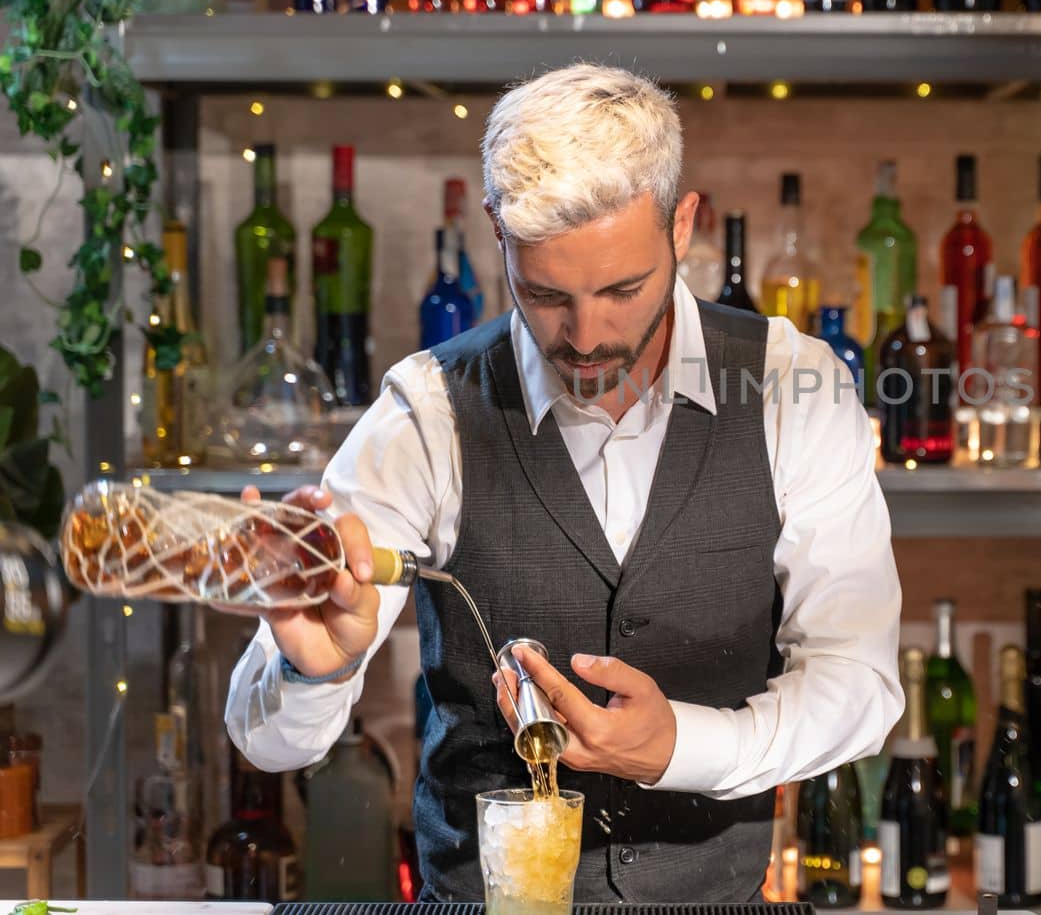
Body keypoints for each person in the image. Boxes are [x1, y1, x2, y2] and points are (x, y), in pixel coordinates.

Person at [224, 62, 903, 902]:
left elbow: (861, 686)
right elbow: (269, 742)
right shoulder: (428, 409)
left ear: (682, 224)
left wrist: (678, 747)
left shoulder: (794, 389)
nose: (587, 337)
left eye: (624, 288)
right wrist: (316, 672)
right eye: (545, 294)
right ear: (495, 233)